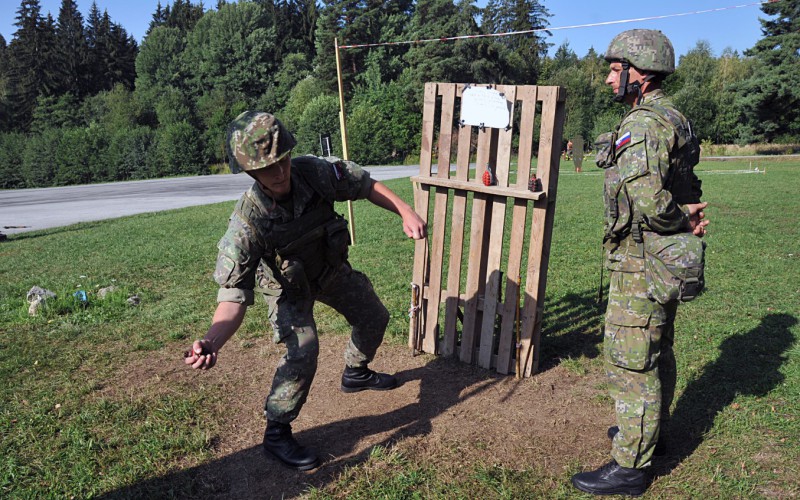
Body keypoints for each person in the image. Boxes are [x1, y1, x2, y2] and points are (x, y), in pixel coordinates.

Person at [183, 111, 427, 471]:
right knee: (304, 349)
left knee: (374, 315)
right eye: (268, 167)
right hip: (286, 289)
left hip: (328, 270)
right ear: (250, 172)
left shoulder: (315, 173)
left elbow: (365, 185)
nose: (280, 172)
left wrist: (405, 211)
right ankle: (277, 431)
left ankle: (356, 372)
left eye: (282, 159)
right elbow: (232, 298)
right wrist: (212, 341)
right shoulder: (247, 223)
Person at [570, 30, 709, 496]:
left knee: (630, 359)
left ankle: (631, 466)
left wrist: (679, 219)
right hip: (659, 258)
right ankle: (648, 435)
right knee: (655, 349)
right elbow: (686, 186)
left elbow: (648, 200)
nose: (608, 77)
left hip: (642, 258)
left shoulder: (646, 124)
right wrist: (687, 219)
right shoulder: (675, 117)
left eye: (615, 68)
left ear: (640, 74)